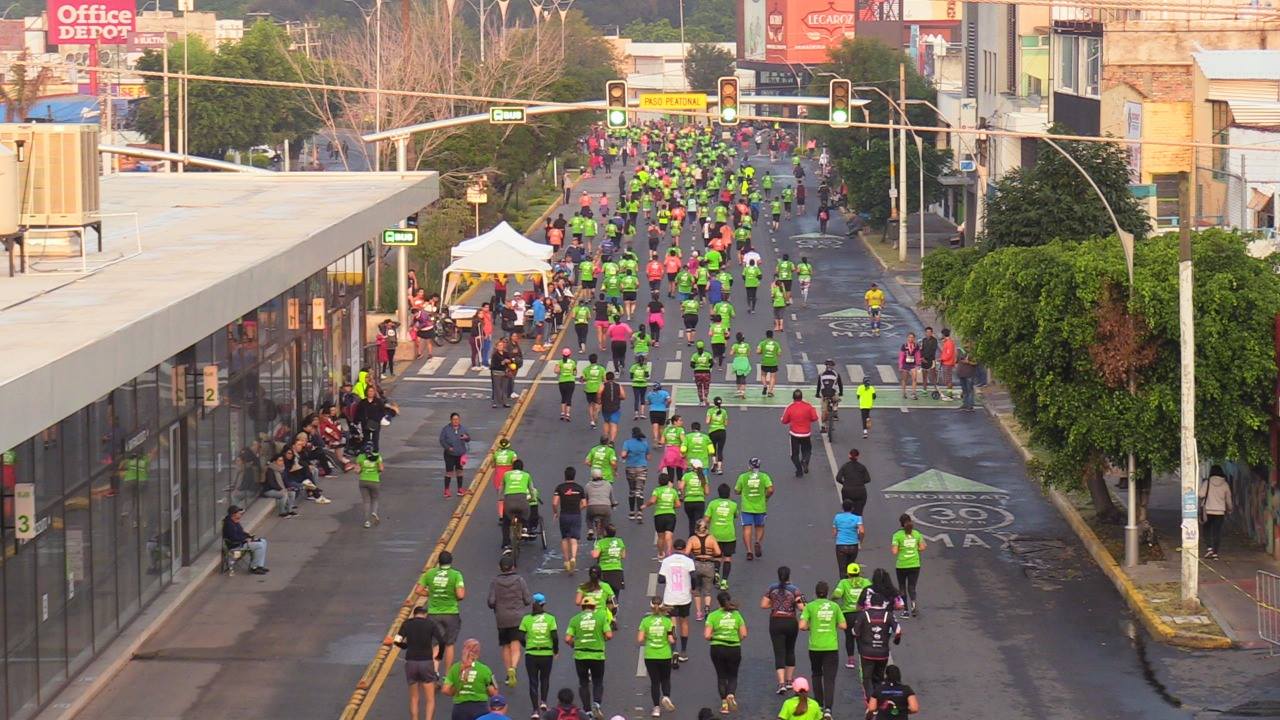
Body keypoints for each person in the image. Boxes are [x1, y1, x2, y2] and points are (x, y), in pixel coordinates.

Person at [799, 581, 845, 719]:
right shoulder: (835, 606)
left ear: (815, 593)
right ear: (827, 592)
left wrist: (810, 627)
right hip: (831, 647)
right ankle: (828, 709)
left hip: (815, 647)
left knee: (816, 674)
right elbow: (843, 625)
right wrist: (832, 623)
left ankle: (819, 704)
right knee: (829, 679)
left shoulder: (810, 606)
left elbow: (801, 625)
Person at [417, 551, 466, 673]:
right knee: (449, 644)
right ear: (450, 561)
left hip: (433, 613)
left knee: (436, 644)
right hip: (451, 613)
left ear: (438, 561)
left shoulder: (429, 573)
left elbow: (418, 590)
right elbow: (461, 595)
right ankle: (448, 674)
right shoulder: (456, 575)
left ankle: (435, 671)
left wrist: (431, 593)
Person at [565, 595, 612, 719]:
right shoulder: (601, 617)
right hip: (597, 655)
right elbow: (609, 635)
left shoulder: (574, 619)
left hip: (580, 655)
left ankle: (587, 711)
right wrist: (602, 639)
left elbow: (567, 638)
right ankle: (596, 704)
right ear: (594, 606)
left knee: (583, 683)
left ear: (582, 607)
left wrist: (573, 644)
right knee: (597, 681)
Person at [488, 555, 532, 687]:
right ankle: (514, 668)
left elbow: (491, 601)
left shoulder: (495, 582)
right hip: (517, 617)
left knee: (505, 645)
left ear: (499, 568)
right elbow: (527, 599)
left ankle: (508, 673)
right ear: (513, 567)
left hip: (502, 618)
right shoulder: (519, 580)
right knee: (516, 645)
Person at [760, 565, 804, 695]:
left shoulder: (771, 588)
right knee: (790, 650)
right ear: (789, 575)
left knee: (779, 652)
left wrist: (774, 605)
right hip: (790, 621)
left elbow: (763, 605)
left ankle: (781, 683)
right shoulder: (795, 590)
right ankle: (790, 680)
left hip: (776, 621)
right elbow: (803, 607)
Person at [397, 605, 442, 720]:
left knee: (414, 698)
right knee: (430, 699)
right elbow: (441, 641)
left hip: (411, 662)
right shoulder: (430, 624)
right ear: (425, 614)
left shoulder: (407, 623)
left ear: (414, 614)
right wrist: (439, 656)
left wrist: (406, 646)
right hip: (426, 662)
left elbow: (397, 641)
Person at [705, 591, 747, 715]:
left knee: (721, 676)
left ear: (718, 602)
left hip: (717, 648)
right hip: (734, 648)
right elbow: (744, 634)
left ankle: (724, 704)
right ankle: (731, 694)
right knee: (733, 675)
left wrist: (716, 637)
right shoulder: (737, 615)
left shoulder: (713, 616)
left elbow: (707, 635)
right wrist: (735, 639)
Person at [853, 596, 901, 702]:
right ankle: (879, 700)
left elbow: (855, 632)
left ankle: (871, 702)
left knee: (867, 678)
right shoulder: (888, 615)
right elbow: (898, 631)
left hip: (866, 652)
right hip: (883, 653)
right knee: (879, 678)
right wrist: (896, 641)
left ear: (870, 602)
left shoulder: (864, 614)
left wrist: (861, 638)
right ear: (882, 603)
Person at [519, 593, 559, 717]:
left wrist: (527, 645)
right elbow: (554, 637)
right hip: (546, 653)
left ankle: (535, 710)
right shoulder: (550, 618)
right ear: (543, 604)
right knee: (545, 678)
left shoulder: (526, 619)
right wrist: (555, 650)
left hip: (531, 654)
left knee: (533, 681)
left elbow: (520, 636)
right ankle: (544, 702)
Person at [636, 598, 677, 718]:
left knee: (655, 682)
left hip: (650, 655)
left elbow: (639, 639)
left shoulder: (645, 621)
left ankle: (656, 708)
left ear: (651, 607)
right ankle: (666, 696)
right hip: (665, 654)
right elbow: (671, 639)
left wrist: (649, 636)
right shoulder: (667, 621)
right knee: (665, 678)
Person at [658, 537, 695, 664]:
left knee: (672, 624)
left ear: (673, 548)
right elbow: (694, 577)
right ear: (685, 549)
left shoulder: (667, 561)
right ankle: (683, 651)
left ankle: (674, 649)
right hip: (684, 597)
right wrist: (693, 588)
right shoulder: (689, 561)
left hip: (670, 597)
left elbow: (661, 579)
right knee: (684, 622)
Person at [833, 563, 872, 669]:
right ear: (859, 572)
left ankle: (851, 660)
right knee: (862, 637)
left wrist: (832, 599)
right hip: (862, 614)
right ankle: (862, 659)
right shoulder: (866, 582)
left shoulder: (844, 583)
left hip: (848, 614)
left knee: (849, 637)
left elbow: (837, 595)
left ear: (848, 574)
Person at [735, 458, 774, 561]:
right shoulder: (764, 476)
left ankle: (749, 551)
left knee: (747, 529)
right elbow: (770, 489)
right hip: (760, 507)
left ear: (749, 466)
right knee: (760, 527)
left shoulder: (743, 477)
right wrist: (766, 497)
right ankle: (757, 541)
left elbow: (737, 490)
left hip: (746, 507)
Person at [891, 514, 926, 616]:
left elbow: (894, 551)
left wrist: (901, 548)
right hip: (915, 564)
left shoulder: (897, 535)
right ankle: (914, 605)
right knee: (912, 587)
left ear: (901, 524)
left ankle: (905, 610)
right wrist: (914, 549)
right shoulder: (917, 534)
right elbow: (923, 547)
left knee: (902, 587)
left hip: (902, 565)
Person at [687, 516, 721, 620]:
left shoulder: (692, 539)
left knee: (696, 590)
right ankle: (707, 607)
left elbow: (687, 552)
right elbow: (718, 552)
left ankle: (698, 612)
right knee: (708, 589)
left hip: (696, 564)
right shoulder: (711, 538)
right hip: (709, 565)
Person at [554, 466, 586, 573]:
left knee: (564, 538)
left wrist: (555, 512)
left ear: (565, 475)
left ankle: (566, 561)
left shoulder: (560, 488)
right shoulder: (579, 488)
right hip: (575, 515)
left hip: (564, 515)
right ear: (574, 475)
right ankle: (573, 558)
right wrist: (578, 508)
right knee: (574, 539)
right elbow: (584, 503)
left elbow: (555, 503)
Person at [780, 390, 818, 477]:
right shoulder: (808, 406)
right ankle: (805, 461)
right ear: (802, 397)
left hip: (794, 435)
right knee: (807, 451)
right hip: (806, 434)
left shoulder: (790, 407)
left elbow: (784, 421)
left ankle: (799, 471)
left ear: (793, 398)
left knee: (794, 455)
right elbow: (815, 418)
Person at [706, 483, 738, 586]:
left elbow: (706, 518)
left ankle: (716, 572)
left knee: (716, 557)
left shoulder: (712, 504)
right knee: (727, 558)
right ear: (729, 494)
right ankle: (724, 581)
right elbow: (736, 515)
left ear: (718, 493)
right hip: (729, 535)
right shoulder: (733, 505)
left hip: (715, 534)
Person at [644, 472, 682, 559]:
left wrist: (645, 505)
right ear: (668, 481)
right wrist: (670, 506)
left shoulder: (657, 490)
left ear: (659, 482)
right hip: (670, 515)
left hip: (659, 515)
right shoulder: (673, 491)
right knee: (669, 536)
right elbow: (678, 504)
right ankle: (669, 553)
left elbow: (652, 501)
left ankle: (661, 554)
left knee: (660, 537)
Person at [222, 505, 268, 574]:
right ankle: (254, 567)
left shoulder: (235, 521)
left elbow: (241, 532)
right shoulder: (229, 525)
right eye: (239, 513)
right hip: (236, 548)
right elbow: (233, 538)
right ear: (234, 514)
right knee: (259, 546)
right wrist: (245, 539)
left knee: (263, 541)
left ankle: (259, 566)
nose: (240, 514)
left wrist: (249, 536)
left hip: (242, 543)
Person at [501, 459, 534, 552]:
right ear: (522, 468)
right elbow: (531, 489)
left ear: (512, 467)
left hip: (509, 501)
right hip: (522, 501)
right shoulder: (526, 475)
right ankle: (525, 528)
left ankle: (506, 543)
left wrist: (501, 498)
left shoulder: (506, 474)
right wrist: (533, 498)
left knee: (506, 523)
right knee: (526, 512)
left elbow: (501, 488)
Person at [1200, 465, 1233, 559]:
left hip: (1208, 511)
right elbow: (1228, 499)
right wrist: (1230, 509)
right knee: (1217, 532)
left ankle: (1209, 548)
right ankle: (1215, 553)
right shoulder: (1225, 484)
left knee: (1206, 530)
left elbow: (1201, 494)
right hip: (1220, 512)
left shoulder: (1207, 482)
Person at [620, 427, 650, 521]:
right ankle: (640, 513)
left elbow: (623, 455)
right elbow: (648, 457)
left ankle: (631, 512)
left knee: (632, 490)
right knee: (639, 491)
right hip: (642, 468)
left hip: (630, 468)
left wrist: (627, 455)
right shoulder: (644, 443)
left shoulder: (627, 443)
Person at [440, 412, 471, 499]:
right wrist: (448, 448)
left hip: (460, 454)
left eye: (457, 419)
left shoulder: (463, 428)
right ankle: (446, 490)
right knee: (449, 472)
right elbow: (442, 440)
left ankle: (460, 489)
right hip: (449, 454)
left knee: (459, 471)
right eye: (454, 419)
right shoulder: (446, 429)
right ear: (451, 420)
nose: (455, 421)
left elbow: (468, 439)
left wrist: (466, 437)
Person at [591, 525, 627, 600]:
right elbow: (623, 556)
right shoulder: (619, 541)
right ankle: (614, 610)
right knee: (615, 596)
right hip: (617, 571)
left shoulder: (601, 542)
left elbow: (595, 555)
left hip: (604, 572)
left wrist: (592, 552)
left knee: (603, 595)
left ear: (605, 533)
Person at [832, 499, 865, 577]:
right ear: (852, 508)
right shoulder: (857, 518)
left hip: (841, 545)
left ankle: (844, 585)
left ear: (842, 508)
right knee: (850, 567)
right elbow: (862, 531)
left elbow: (834, 532)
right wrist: (860, 541)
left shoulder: (837, 517)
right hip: (853, 545)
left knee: (842, 569)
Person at [583, 468, 616, 543]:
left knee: (588, 518)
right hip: (605, 507)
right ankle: (606, 532)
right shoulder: (608, 484)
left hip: (592, 507)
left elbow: (586, 498)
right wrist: (614, 504)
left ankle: (590, 529)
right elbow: (612, 498)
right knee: (607, 520)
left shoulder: (588, 485)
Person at [835, 449, 871, 516]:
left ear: (849, 455)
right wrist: (859, 482)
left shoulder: (845, 466)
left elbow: (838, 478)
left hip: (847, 491)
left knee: (847, 509)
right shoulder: (862, 467)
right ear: (858, 456)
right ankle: (858, 523)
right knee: (859, 511)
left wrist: (845, 483)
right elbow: (868, 479)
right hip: (860, 491)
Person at [355, 445, 383, 528]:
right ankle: (374, 512)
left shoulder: (360, 457)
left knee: (366, 501)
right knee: (375, 499)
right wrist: (376, 471)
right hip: (375, 480)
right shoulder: (377, 456)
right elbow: (381, 469)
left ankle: (367, 522)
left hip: (363, 481)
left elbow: (357, 470)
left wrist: (361, 471)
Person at [493, 438, 519, 523]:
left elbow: (493, 465)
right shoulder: (512, 454)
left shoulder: (496, 454)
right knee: (511, 495)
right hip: (509, 477)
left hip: (498, 477)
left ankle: (501, 515)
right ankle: (512, 513)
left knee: (501, 498)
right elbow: (515, 464)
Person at [815, 360, 843, 434]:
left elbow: (818, 386)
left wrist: (817, 394)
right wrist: (841, 393)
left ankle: (823, 426)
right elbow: (840, 385)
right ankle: (835, 410)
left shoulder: (821, 375)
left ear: (826, 366)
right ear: (833, 366)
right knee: (837, 399)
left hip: (824, 396)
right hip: (833, 394)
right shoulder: (836, 374)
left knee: (823, 410)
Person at [580, 355, 607, 429]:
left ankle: (592, 420)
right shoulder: (601, 369)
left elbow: (582, 380)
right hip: (598, 389)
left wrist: (585, 379)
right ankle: (595, 419)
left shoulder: (586, 369)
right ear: (596, 360)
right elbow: (605, 380)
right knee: (598, 406)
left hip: (588, 389)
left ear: (589, 360)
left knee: (590, 404)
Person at [599, 372, 626, 443]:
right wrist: (618, 397)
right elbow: (623, 396)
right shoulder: (618, 385)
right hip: (615, 407)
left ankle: (605, 437)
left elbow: (599, 392)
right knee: (613, 423)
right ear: (613, 378)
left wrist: (599, 400)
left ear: (606, 378)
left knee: (606, 422)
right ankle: (612, 440)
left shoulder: (603, 385)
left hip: (605, 407)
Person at [705, 398, 729, 474]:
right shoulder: (724, 411)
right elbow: (726, 424)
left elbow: (707, 422)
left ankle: (714, 462)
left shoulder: (710, 411)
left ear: (714, 403)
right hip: (722, 432)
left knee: (713, 448)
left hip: (712, 432)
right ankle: (719, 468)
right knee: (720, 450)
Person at [757, 330, 782, 398]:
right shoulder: (776, 344)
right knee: (772, 377)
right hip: (773, 363)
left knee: (763, 375)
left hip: (765, 362)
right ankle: (770, 392)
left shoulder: (762, 343)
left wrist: (763, 352)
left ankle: (765, 385)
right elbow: (779, 354)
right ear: (772, 335)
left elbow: (758, 351)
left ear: (766, 335)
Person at [556, 348, 578, 422]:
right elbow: (575, 373)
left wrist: (561, 372)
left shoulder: (560, 362)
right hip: (571, 382)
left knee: (563, 398)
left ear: (562, 354)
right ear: (570, 355)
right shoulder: (573, 362)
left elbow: (556, 371)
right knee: (569, 398)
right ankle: (568, 414)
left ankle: (562, 413)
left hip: (562, 382)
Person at [898, 332, 922, 400]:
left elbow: (918, 355)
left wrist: (918, 364)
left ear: (914, 338)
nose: (910, 339)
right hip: (905, 364)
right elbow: (901, 356)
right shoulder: (904, 346)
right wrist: (900, 365)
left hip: (913, 365)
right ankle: (903, 393)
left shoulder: (916, 346)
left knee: (914, 379)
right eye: (909, 337)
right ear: (907, 338)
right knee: (904, 379)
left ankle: (913, 393)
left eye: (912, 337)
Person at [647, 383, 671, 447]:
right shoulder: (665, 393)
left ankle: (655, 438)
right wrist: (666, 405)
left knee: (655, 425)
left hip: (653, 411)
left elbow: (648, 402)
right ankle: (661, 441)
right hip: (662, 411)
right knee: (661, 427)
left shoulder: (650, 394)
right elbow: (669, 400)